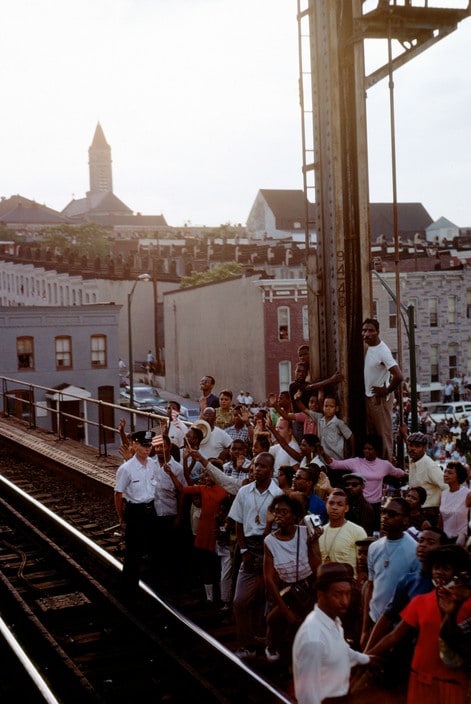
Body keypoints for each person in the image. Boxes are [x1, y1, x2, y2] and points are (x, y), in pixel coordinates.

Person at [366, 545, 471, 704]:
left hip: (452, 684)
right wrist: (366, 656)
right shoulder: (420, 601)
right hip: (419, 680)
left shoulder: (468, 604)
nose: (439, 572)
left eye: (446, 568)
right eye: (436, 567)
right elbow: (394, 636)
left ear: (458, 573)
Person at [228, 452, 283, 659]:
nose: (256, 469)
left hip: (269, 549)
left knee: (268, 600)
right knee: (240, 601)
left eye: (261, 466)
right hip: (249, 549)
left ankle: (268, 643)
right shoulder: (244, 492)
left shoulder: (277, 495)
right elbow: (238, 523)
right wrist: (243, 552)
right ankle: (247, 644)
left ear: (271, 470)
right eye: (255, 466)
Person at [292, 562, 371, 704]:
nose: (345, 602)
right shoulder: (314, 639)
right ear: (320, 594)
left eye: (348, 594)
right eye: (338, 594)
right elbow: (307, 696)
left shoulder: (333, 622)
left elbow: (341, 650)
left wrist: (366, 659)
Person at [263, 492, 322, 664]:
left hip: (309, 587)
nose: (279, 516)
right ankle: (280, 656)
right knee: (274, 620)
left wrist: (311, 546)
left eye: (284, 512)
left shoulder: (306, 534)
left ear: (295, 515)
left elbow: (317, 567)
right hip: (288, 590)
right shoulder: (269, 541)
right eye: (276, 512)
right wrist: (284, 609)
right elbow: (269, 577)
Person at [361, 497, 419, 648]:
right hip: (375, 619)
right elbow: (371, 586)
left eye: (392, 514)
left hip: (398, 626)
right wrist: (365, 629)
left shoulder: (415, 551)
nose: (385, 517)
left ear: (405, 520)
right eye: (383, 512)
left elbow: (415, 598)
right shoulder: (374, 547)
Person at [319, 434, 405, 529]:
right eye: (365, 448)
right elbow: (334, 464)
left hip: (376, 506)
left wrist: (410, 473)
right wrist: (323, 453)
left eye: (370, 449)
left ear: (376, 450)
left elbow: (398, 473)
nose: (366, 451)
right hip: (358, 505)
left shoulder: (385, 465)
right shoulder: (356, 462)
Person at [114, 430, 159, 600]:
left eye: (149, 445)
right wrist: (121, 517)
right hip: (135, 511)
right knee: (133, 554)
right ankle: (128, 592)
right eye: (143, 445)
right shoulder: (126, 469)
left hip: (150, 509)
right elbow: (118, 494)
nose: (147, 449)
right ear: (134, 445)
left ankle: (152, 589)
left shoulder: (153, 465)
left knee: (152, 550)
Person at [362, 318, 404, 461]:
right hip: (370, 398)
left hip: (379, 400)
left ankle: (389, 469)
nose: (366, 334)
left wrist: (386, 391)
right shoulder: (370, 348)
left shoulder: (382, 351)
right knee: (373, 438)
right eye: (364, 330)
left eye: (370, 331)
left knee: (384, 437)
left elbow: (398, 376)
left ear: (377, 332)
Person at [403, 430, 447, 526]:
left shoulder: (430, 466)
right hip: (415, 513)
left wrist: (443, 510)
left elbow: (447, 487)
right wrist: (404, 434)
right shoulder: (413, 460)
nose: (413, 449)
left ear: (424, 448)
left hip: (429, 515)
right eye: (411, 445)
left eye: (417, 446)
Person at [318, 489, 367, 574]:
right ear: (326, 504)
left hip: (348, 583)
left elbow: (363, 565)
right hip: (325, 582)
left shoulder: (357, 531)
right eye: (331, 503)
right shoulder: (320, 532)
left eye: (339, 505)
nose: (334, 507)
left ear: (346, 508)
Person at [295, 391, 354, 461]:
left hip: (336, 460)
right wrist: (297, 399)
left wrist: (352, 454)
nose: (328, 408)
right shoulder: (319, 418)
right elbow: (304, 409)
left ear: (336, 408)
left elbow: (351, 436)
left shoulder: (338, 423)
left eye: (331, 406)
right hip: (322, 459)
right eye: (326, 406)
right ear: (322, 407)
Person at [439, 460, 471, 545]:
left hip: (460, 540)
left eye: (450, 473)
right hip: (445, 540)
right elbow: (441, 520)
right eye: (445, 471)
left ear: (459, 477)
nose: (445, 475)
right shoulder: (443, 494)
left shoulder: (467, 494)